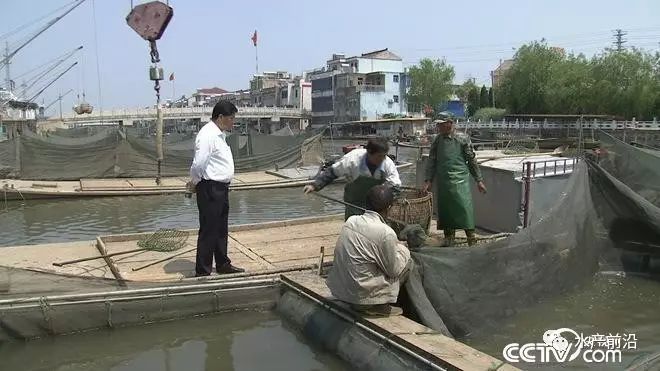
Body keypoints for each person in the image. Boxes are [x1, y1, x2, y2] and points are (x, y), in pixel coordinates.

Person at [326, 185, 412, 316]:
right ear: (389, 208)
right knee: (408, 263)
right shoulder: (386, 232)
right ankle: (377, 305)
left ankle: (367, 300)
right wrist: (403, 249)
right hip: (361, 297)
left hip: (342, 291)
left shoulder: (351, 221)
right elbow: (394, 270)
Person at [188, 101, 244, 276]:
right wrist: (195, 183)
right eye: (231, 118)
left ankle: (222, 264)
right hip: (209, 187)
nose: (233, 122)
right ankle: (203, 271)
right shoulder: (207, 135)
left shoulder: (219, 134)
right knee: (209, 229)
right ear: (220, 117)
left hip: (220, 188)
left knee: (221, 228)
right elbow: (199, 164)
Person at [423, 119, 487, 247]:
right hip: (443, 181)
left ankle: (471, 239)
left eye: (441, 124)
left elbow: (471, 160)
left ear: (450, 123)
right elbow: (432, 161)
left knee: (465, 210)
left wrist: (478, 180)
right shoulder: (437, 140)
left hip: (460, 180)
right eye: (438, 124)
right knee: (446, 212)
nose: (439, 126)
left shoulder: (463, 138)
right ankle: (449, 240)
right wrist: (428, 180)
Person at [303, 137, 402, 220]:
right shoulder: (352, 159)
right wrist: (315, 185)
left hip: (376, 205)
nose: (382, 159)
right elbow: (332, 172)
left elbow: (395, 187)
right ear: (369, 153)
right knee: (353, 228)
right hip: (354, 203)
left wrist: (384, 202)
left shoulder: (387, 163)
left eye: (384, 156)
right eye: (379, 156)